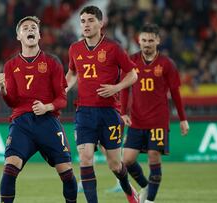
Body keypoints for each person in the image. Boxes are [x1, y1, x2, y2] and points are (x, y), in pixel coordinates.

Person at [0, 16, 77, 203]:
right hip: (22, 123)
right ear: (19, 36)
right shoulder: (11, 66)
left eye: (33, 27)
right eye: (25, 28)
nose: (30, 29)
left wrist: (47, 106)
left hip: (47, 122)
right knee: (10, 167)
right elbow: (12, 101)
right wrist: (3, 90)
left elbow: (62, 99)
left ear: (39, 35)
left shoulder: (52, 62)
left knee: (66, 171)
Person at [66, 5, 139, 203]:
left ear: (101, 22)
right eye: (83, 21)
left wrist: (117, 88)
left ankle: (130, 193)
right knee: (85, 157)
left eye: (90, 20)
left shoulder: (113, 48)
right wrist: (63, 87)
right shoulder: (75, 48)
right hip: (84, 112)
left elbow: (133, 74)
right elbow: (73, 73)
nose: (86, 25)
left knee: (115, 164)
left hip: (109, 112)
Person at [121, 23, 189, 203]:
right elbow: (124, 88)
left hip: (158, 120)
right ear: (139, 40)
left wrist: (183, 119)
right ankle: (145, 185)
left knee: (153, 156)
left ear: (158, 41)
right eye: (144, 40)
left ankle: (150, 200)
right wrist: (123, 111)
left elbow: (175, 93)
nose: (147, 43)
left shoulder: (167, 64)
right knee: (126, 160)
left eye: (151, 40)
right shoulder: (131, 61)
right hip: (136, 119)